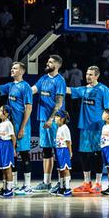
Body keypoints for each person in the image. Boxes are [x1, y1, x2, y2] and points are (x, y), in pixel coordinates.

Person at [68, 66, 109, 194]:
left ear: (97, 76)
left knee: (97, 155)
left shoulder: (103, 89)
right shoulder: (84, 89)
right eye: (87, 74)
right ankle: (87, 182)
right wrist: (58, 87)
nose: (88, 76)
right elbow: (70, 90)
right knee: (84, 155)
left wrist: (107, 127)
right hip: (84, 127)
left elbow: (108, 109)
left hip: (98, 127)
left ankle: (98, 183)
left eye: (91, 74)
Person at [0, 62, 34, 194]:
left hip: (21, 126)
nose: (12, 70)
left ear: (22, 71)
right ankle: (15, 184)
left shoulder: (26, 87)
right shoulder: (10, 85)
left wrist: (22, 127)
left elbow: (28, 108)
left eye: (15, 68)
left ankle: (27, 186)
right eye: (11, 68)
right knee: (13, 156)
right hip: (10, 126)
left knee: (24, 155)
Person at [31, 55, 66, 192]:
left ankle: (61, 182)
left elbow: (59, 102)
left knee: (58, 151)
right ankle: (46, 182)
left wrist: (51, 119)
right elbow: (33, 89)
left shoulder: (60, 80)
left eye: (50, 62)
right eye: (48, 61)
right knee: (46, 150)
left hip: (54, 121)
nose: (47, 63)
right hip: (42, 119)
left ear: (57, 65)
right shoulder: (44, 78)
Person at [0, 105, 17, 198]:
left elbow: (13, 137)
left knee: (8, 168)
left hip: (7, 146)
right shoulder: (0, 124)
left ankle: (9, 189)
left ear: (6, 113)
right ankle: (4, 188)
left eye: (1, 111)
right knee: (3, 169)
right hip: (1, 146)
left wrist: (13, 149)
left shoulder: (8, 124)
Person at [53, 110, 73, 197]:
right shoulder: (59, 128)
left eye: (57, 117)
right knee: (60, 170)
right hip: (58, 150)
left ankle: (68, 188)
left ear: (62, 119)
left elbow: (68, 142)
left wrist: (70, 152)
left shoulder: (65, 128)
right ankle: (61, 187)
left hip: (64, 150)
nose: (55, 118)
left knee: (65, 169)